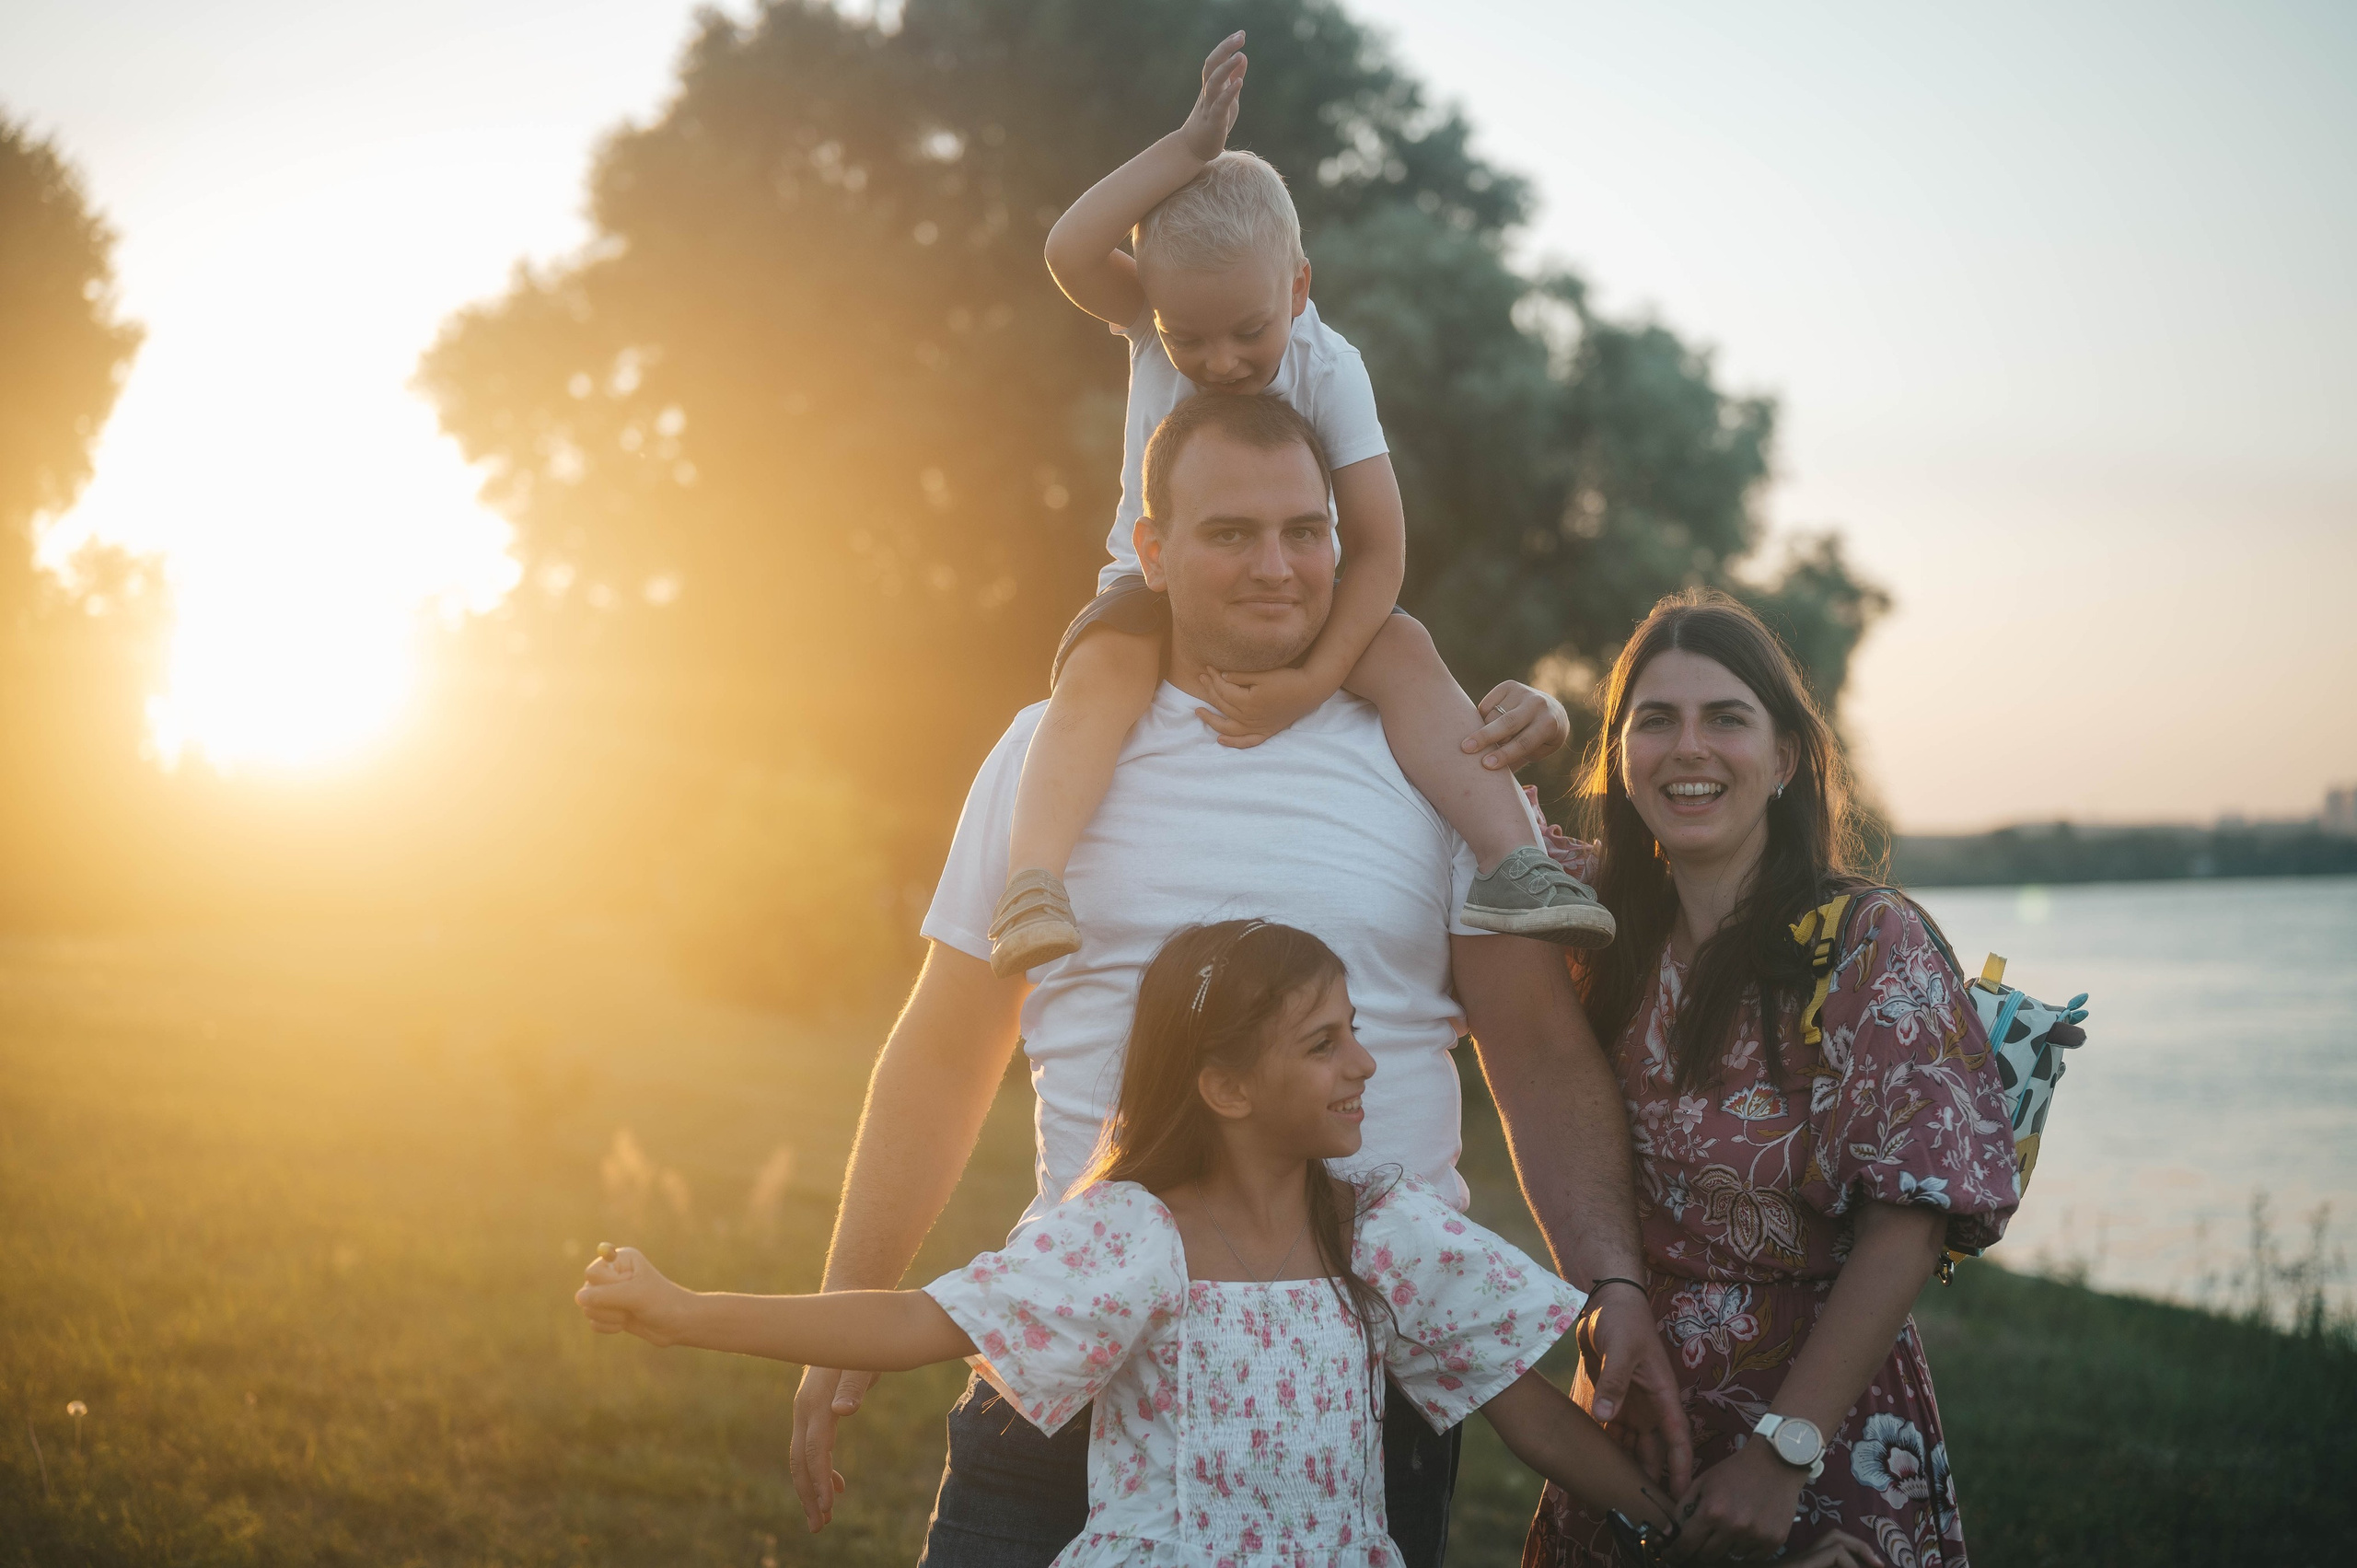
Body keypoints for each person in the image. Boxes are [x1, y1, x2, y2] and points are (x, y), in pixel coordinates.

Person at [795, 391, 1692, 1568]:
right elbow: (947, 1040)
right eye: (1230, 533)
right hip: (1074, 1348)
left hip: (1360, 1381)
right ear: (1153, 551)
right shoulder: (1045, 754)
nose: (1277, 567)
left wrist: (1609, 1278)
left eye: (1306, 531)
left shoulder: (1444, 762)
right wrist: (843, 1312)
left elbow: (1533, 1050)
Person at [579, 921, 1694, 1566]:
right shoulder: (1136, 1234)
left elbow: (1522, 1404)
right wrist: (685, 1307)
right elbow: (925, 1318)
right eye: (1322, 1041)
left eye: (1354, 1029)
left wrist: (1676, 1529)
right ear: (1222, 1086)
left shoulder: (1378, 1227)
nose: (1363, 1062)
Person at [988, 28, 1612, 978]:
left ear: (1297, 288)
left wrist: (1313, 680)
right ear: (1150, 306)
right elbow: (1069, 247)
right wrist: (1187, 150)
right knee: (1094, 678)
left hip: (1302, 593)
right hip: (1151, 583)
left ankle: (1510, 860)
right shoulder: (1150, 331)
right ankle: (1031, 880)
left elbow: (1378, 549)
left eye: (1250, 330)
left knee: (1402, 647)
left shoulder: (1330, 365)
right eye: (1186, 336)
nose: (1222, 362)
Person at [1519, 591, 2019, 1568]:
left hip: (1816, 1426)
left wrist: (1781, 1452)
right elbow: (1451, 811)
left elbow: (1907, 1223)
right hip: (1630, 1412)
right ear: (1619, 758)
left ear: (1785, 757)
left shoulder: (1870, 941)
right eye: (1652, 720)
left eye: (1726, 718)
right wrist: (1518, 708)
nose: (1686, 747)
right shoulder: (1590, 933)